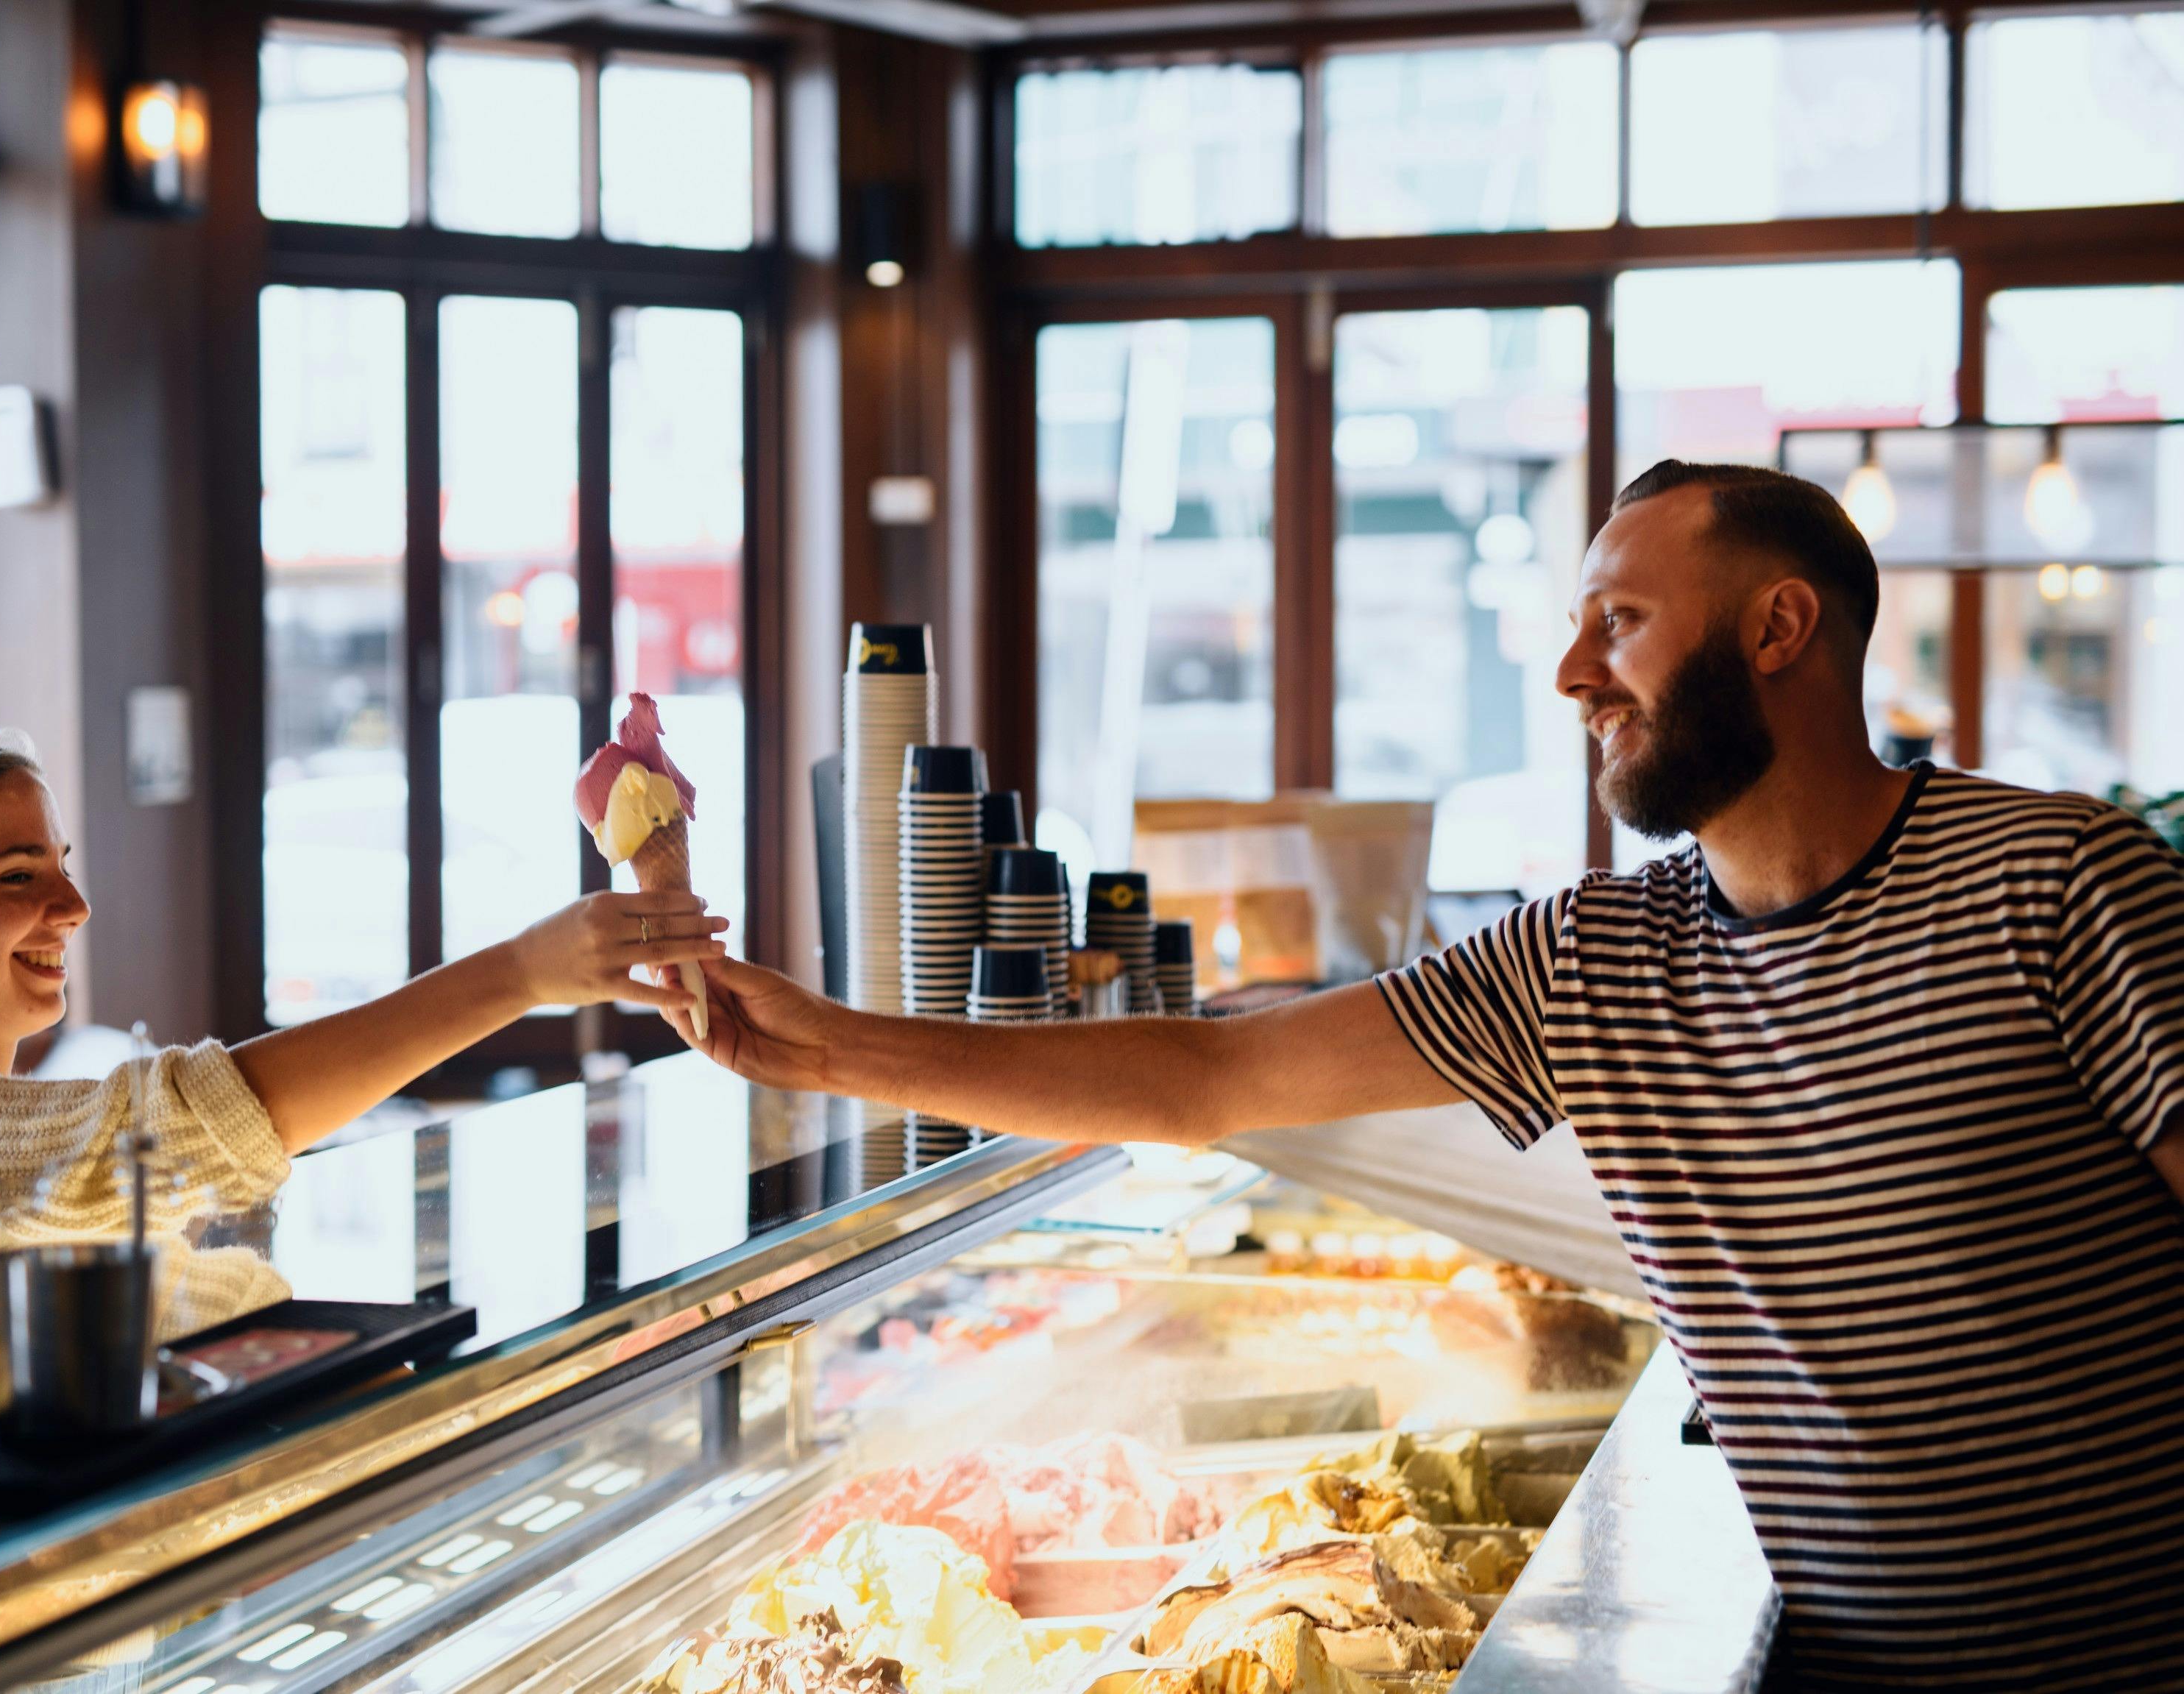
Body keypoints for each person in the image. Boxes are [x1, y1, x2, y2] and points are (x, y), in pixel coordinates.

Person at [673, 461, 2184, 1691]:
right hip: (1837, 1667)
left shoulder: (2056, 881)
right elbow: (1210, 1078)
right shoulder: (1592, 957)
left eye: (1623, 621)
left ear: (1780, 626)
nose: (1570, 671)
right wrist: (819, 1041)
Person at [0, 727, 726, 1414]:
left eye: (61, 860)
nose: (73, 901)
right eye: (18, 874)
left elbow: (194, 1299)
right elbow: (188, 1128)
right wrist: (519, 972)